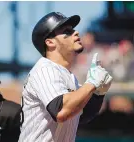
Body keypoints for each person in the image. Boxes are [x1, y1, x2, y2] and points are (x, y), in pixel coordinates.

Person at [18, 12, 113, 142]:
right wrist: (91, 83)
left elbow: (83, 114)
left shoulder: (67, 75)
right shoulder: (45, 69)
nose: (76, 33)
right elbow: (61, 112)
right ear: (50, 42)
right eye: (67, 31)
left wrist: (98, 92)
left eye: (73, 29)